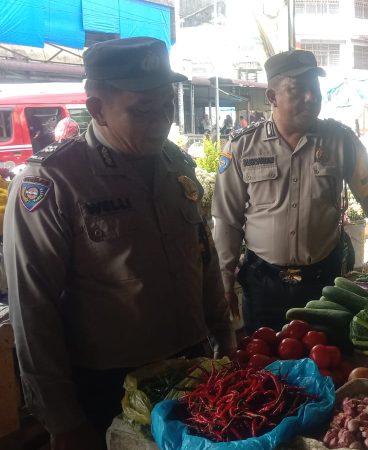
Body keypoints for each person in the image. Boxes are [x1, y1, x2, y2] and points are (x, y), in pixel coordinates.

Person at [3, 37, 235, 450]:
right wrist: (62, 420)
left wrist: (225, 340)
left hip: (194, 373)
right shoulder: (53, 181)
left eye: (166, 105)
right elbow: (32, 309)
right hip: (106, 389)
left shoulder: (175, 165)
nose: (161, 121)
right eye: (143, 110)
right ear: (96, 109)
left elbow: (204, 258)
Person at [212, 50, 368, 334]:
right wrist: (222, 283)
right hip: (264, 285)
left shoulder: (341, 141)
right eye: (298, 90)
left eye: (315, 89)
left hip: (324, 284)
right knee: (263, 366)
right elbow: (226, 220)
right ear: (273, 97)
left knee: (327, 363)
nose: (311, 97)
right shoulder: (242, 147)